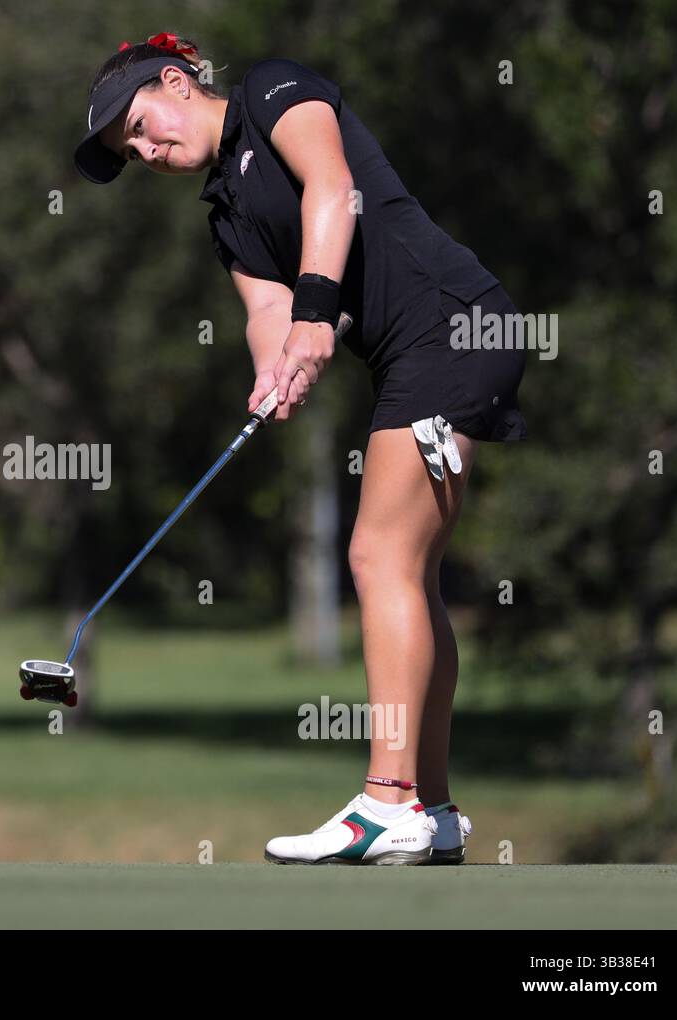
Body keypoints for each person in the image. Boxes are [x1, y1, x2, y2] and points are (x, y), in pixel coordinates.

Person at [74, 32, 527, 864]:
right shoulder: (228, 219)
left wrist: (318, 313)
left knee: (377, 557)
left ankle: (388, 802)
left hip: (457, 324)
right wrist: (274, 370)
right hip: (418, 351)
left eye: (142, 124)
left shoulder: (273, 92)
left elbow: (333, 188)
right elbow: (265, 312)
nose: (147, 150)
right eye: (131, 151)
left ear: (177, 81)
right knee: (408, 573)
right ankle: (435, 809)